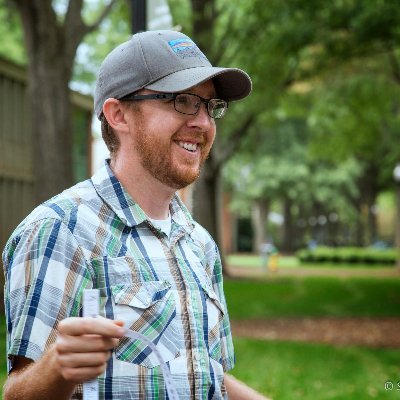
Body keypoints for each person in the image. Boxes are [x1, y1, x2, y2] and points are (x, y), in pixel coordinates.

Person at [3, 30, 267, 399]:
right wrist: (57, 366)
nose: (204, 123)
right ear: (118, 115)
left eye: (210, 106)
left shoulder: (199, 243)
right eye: (183, 101)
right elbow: (17, 392)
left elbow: (207, 375)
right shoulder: (60, 231)